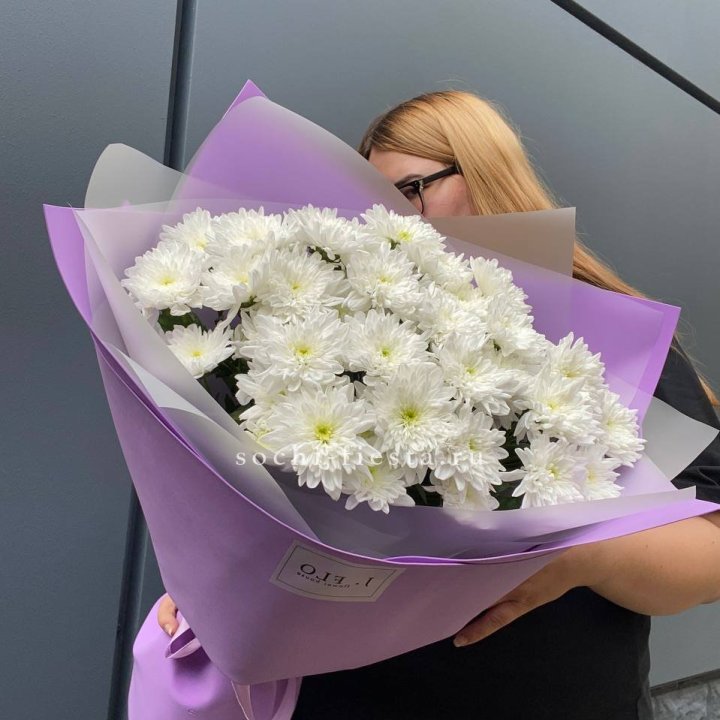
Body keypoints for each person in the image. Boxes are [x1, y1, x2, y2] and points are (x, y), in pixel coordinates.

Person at [156, 90, 720, 719]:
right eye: (373, 201)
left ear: (484, 172)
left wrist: (580, 552)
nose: (395, 217)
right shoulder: (346, 327)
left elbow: (711, 555)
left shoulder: (609, 338)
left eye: (411, 189)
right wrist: (222, 581)